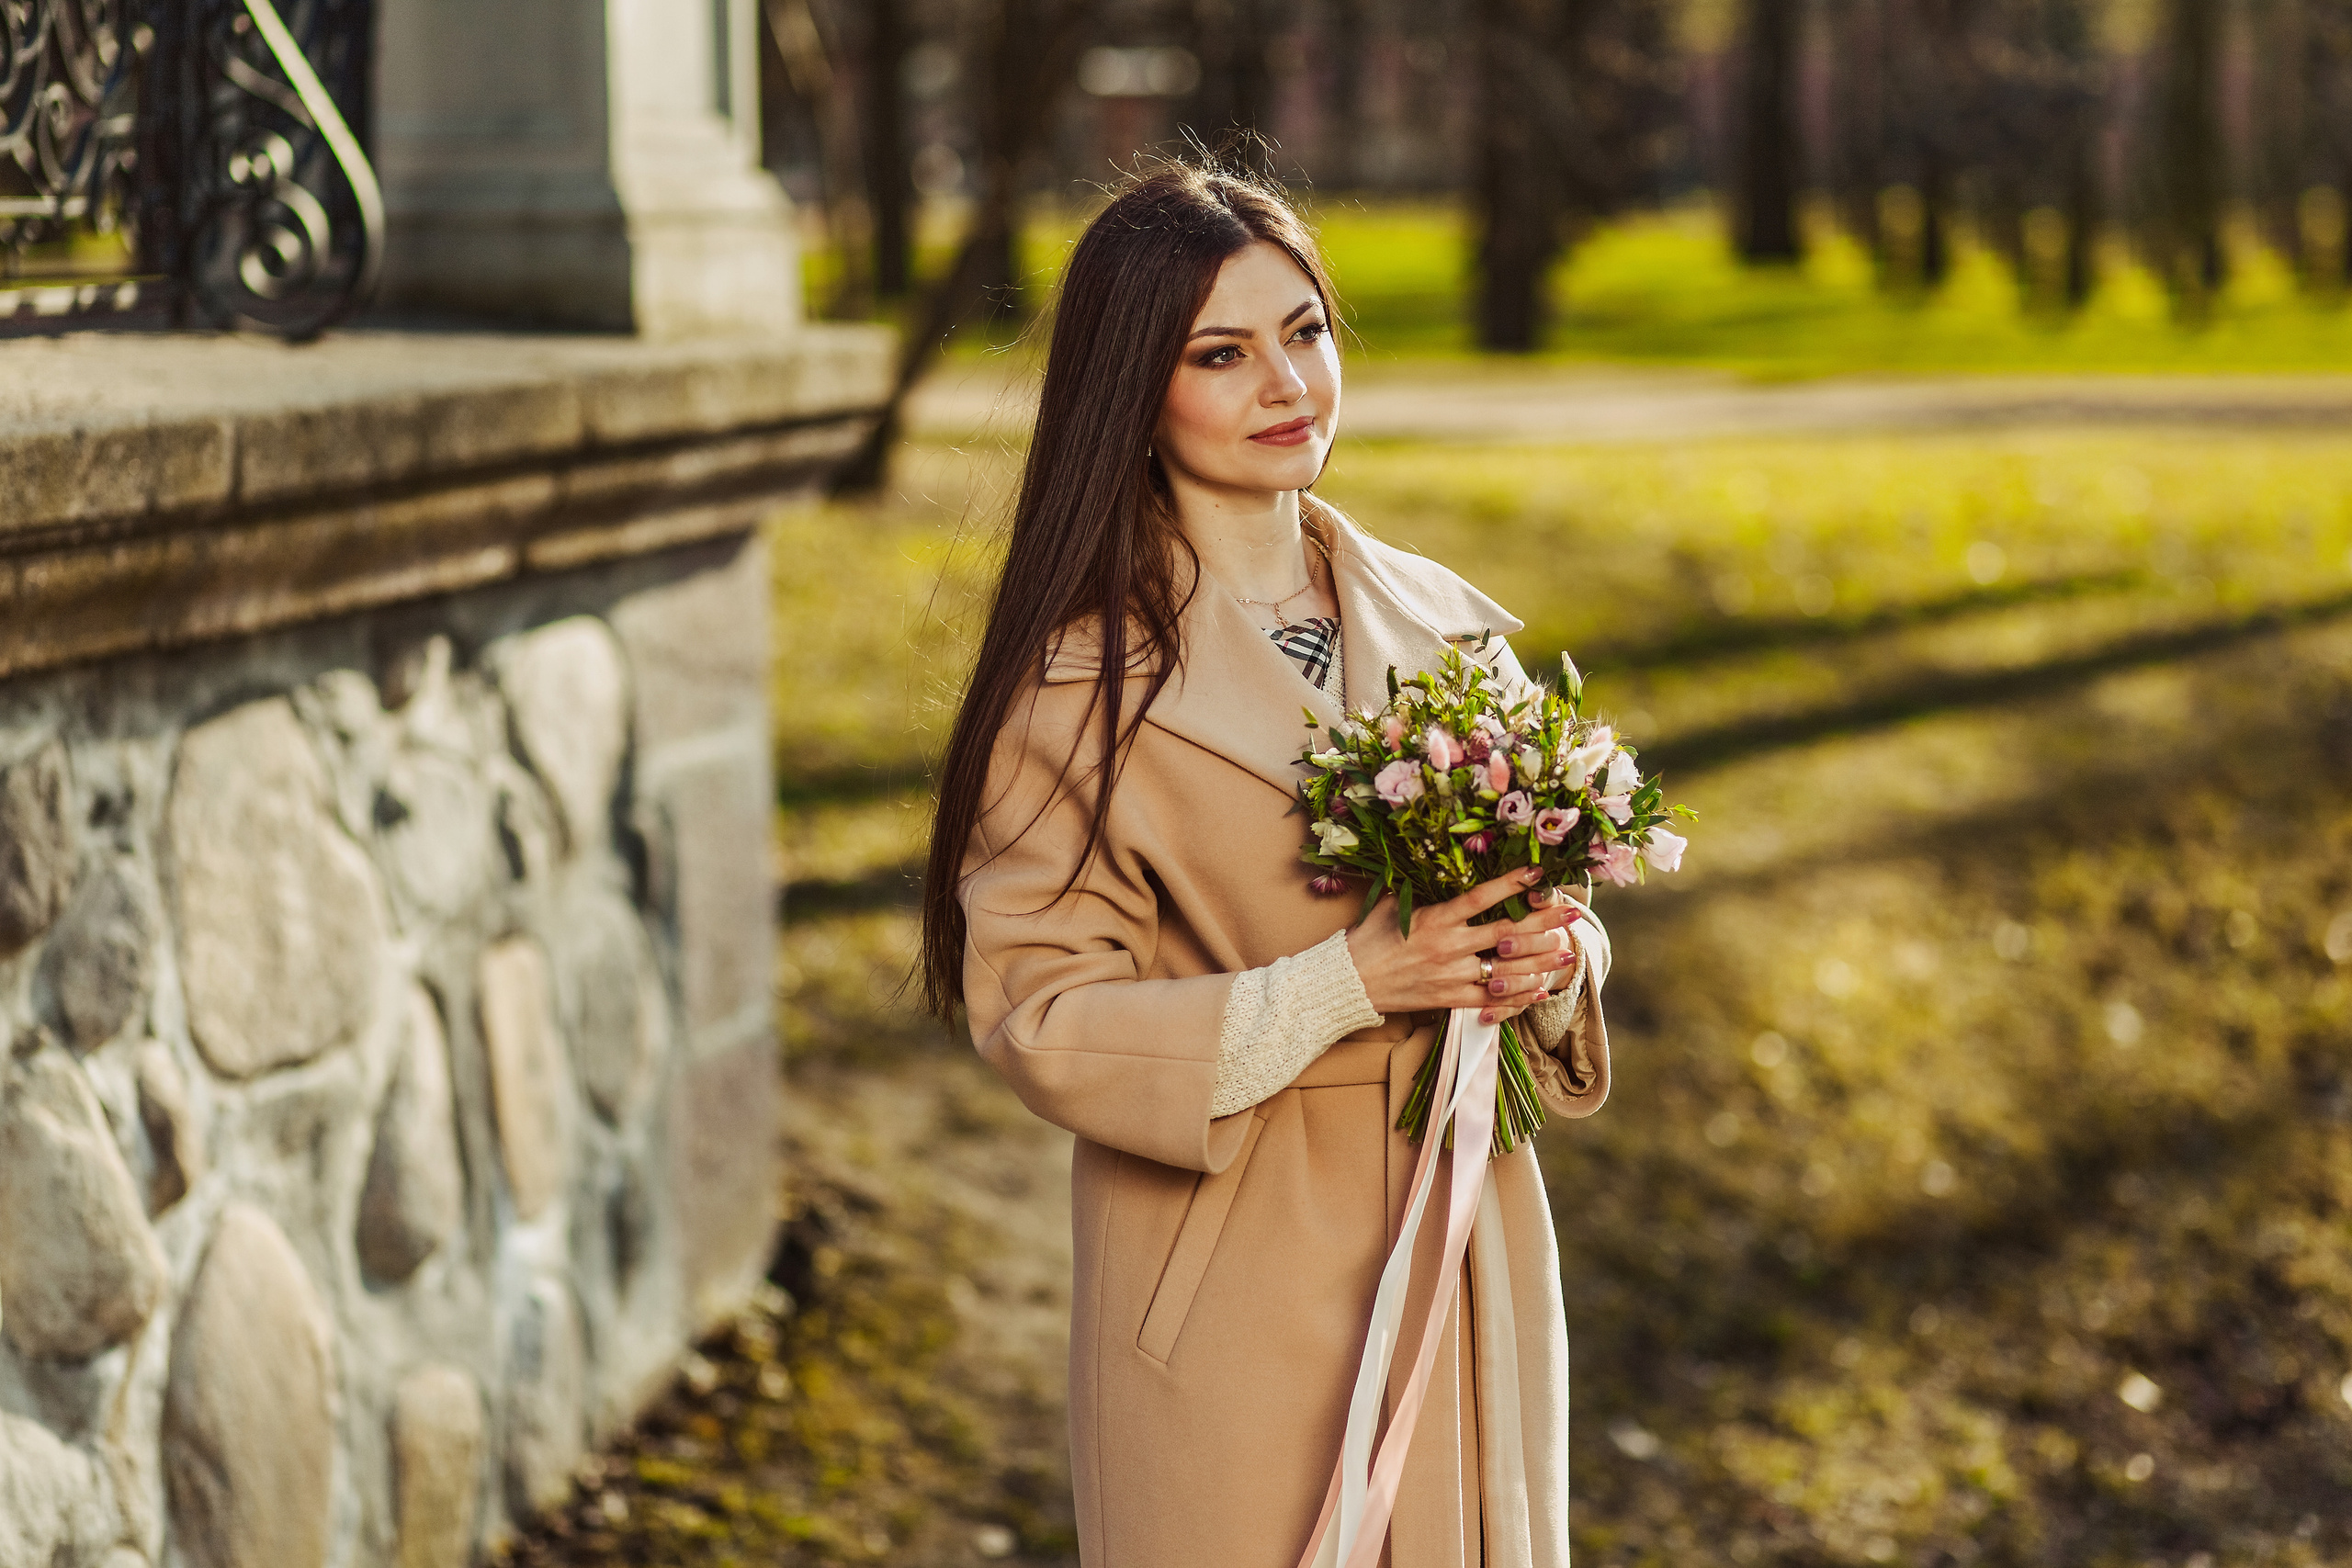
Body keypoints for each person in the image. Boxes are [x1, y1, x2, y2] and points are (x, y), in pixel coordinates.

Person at [918, 162, 1615, 1568]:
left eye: (1304, 330)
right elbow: (1039, 1018)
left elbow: (1541, 910)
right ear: (1135, 390)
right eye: (1220, 354)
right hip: (1229, 1270)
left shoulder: (1447, 627)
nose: (1286, 380)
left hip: (1459, 1236)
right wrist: (1344, 985)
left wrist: (1555, 958)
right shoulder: (1072, 691)